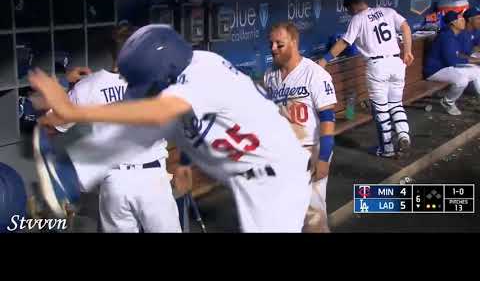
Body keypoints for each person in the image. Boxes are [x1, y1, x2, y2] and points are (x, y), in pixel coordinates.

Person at [29, 24, 312, 233]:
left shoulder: (199, 75)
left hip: (277, 175)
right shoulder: (185, 70)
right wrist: (186, 162)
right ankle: (73, 174)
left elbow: (162, 111)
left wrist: (71, 108)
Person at [42, 21, 182, 233]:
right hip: (153, 180)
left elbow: (50, 126)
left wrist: (67, 87)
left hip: (114, 182)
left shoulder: (88, 86)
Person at [318, 0, 414, 158]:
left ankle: (387, 149)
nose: (349, 13)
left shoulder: (358, 18)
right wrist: (408, 51)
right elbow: (405, 26)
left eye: (349, 10)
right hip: (396, 63)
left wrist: (324, 60)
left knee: (382, 111)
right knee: (396, 104)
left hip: (377, 66)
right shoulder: (387, 11)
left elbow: (344, 42)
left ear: (352, 7)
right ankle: (404, 135)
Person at [264, 22, 336, 233]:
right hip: (283, 152)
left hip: (310, 150)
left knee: (313, 218)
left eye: (279, 44)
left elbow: (328, 119)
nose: (273, 48)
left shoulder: (314, 74)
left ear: (294, 43)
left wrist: (323, 157)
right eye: (271, 44)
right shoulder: (270, 75)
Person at [424, 11, 480, 115]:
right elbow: (452, 61)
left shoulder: (455, 34)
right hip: (435, 71)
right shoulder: (446, 36)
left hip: (448, 67)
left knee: (477, 71)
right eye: (461, 20)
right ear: (453, 23)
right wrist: (474, 60)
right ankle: (448, 102)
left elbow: (458, 55)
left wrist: (473, 62)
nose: (464, 21)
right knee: (462, 79)